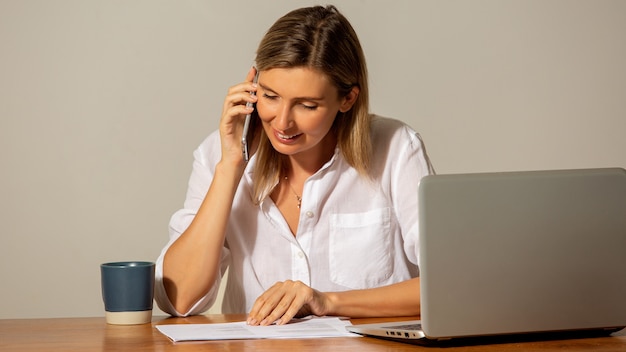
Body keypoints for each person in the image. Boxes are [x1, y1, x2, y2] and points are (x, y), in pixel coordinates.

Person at [155, 5, 434, 326]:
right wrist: (230, 167)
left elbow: (448, 285)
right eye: (270, 96)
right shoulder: (218, 155)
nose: (283, 122)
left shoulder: (396, 148)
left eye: (306, 105)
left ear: (348, 99)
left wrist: (326, 301)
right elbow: (180, 299)